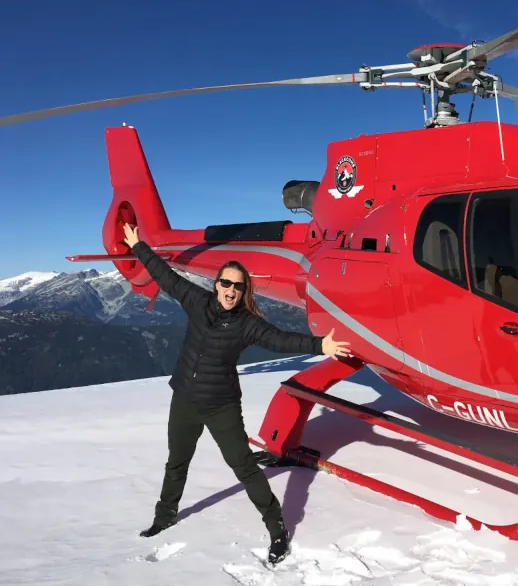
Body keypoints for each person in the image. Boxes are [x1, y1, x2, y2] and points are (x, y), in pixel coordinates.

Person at [121, 223, 351, 565]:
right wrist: (139, 246)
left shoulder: (247, 324)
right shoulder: (197, 301)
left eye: (237, 286)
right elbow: (167, 278)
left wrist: (320, 344)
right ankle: (166, 514)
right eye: (225, 283)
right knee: (176, 463)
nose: (230, 290)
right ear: (216, 285)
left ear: (244, 292)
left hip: (221, 407)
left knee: (243, 466)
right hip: (184, 400)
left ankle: (277, 529)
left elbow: (280, 339)